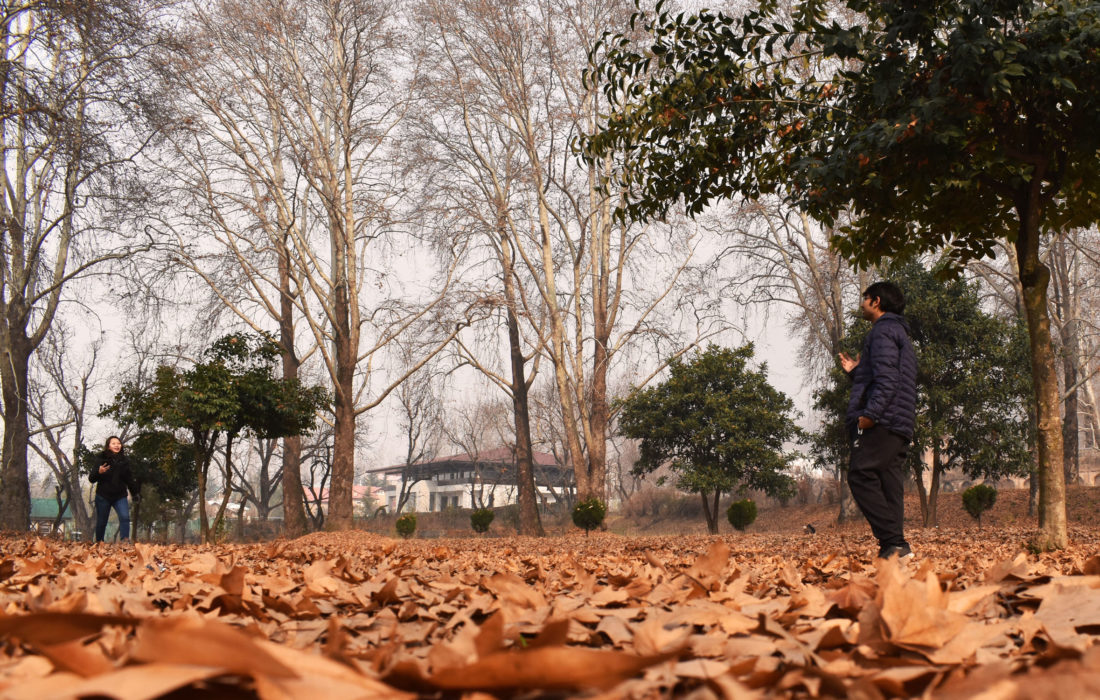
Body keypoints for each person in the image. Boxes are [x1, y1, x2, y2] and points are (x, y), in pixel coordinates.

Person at [838, 281, 918, 560]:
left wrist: (870, 415)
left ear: (876, 301)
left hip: (883, 420)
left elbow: (887, 380)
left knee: (860, 474)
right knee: (888, 482)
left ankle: (893, 542)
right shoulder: (899, 334)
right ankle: (895, 550)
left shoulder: (882, 331)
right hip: (900, 421)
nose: (862, 304)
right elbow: (886, 376)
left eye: (865, 299)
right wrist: (857, 372)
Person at [89, 435, 140, 543]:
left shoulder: (125, 460)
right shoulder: (101, 458)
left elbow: (129, 479)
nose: (117, 445)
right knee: (102, 521)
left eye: (118, 443)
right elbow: (91, 478)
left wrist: (135, 493)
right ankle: (99, 543)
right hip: (103, 495)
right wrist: (99, 472)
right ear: (108, 446)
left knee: (125, 517)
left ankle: (125, 541)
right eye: (114, 443)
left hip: (120, 495)